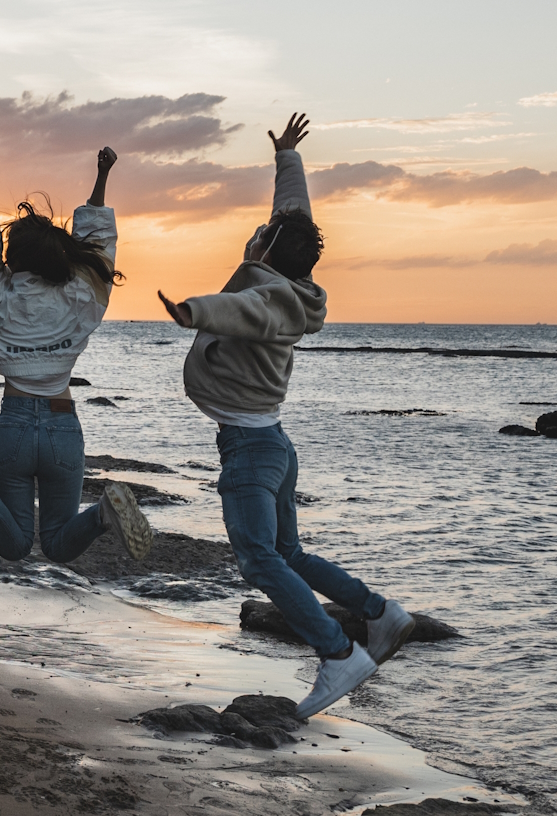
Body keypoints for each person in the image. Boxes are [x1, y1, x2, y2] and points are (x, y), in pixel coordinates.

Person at [154, 111, 414, 720]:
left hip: (250, 449)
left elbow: (238, 310)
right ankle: (380, 612)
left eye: (261, 236)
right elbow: (294, 221)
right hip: (273, 441)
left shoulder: (267, 296)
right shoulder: (292, 283)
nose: (254, 236)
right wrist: (288, 158)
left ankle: (337, 651)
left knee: (257, 558)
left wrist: (191, 311)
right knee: (288, 554)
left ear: (267, 251)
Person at [0, 144, 152, 564]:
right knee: (56, 544)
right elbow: (98, 240)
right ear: (58, 254)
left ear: (10, 259)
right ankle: (104, 514)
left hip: (13, 424)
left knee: (15, 546)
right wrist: (103, 175)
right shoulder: (81, 296)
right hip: (62, 428)